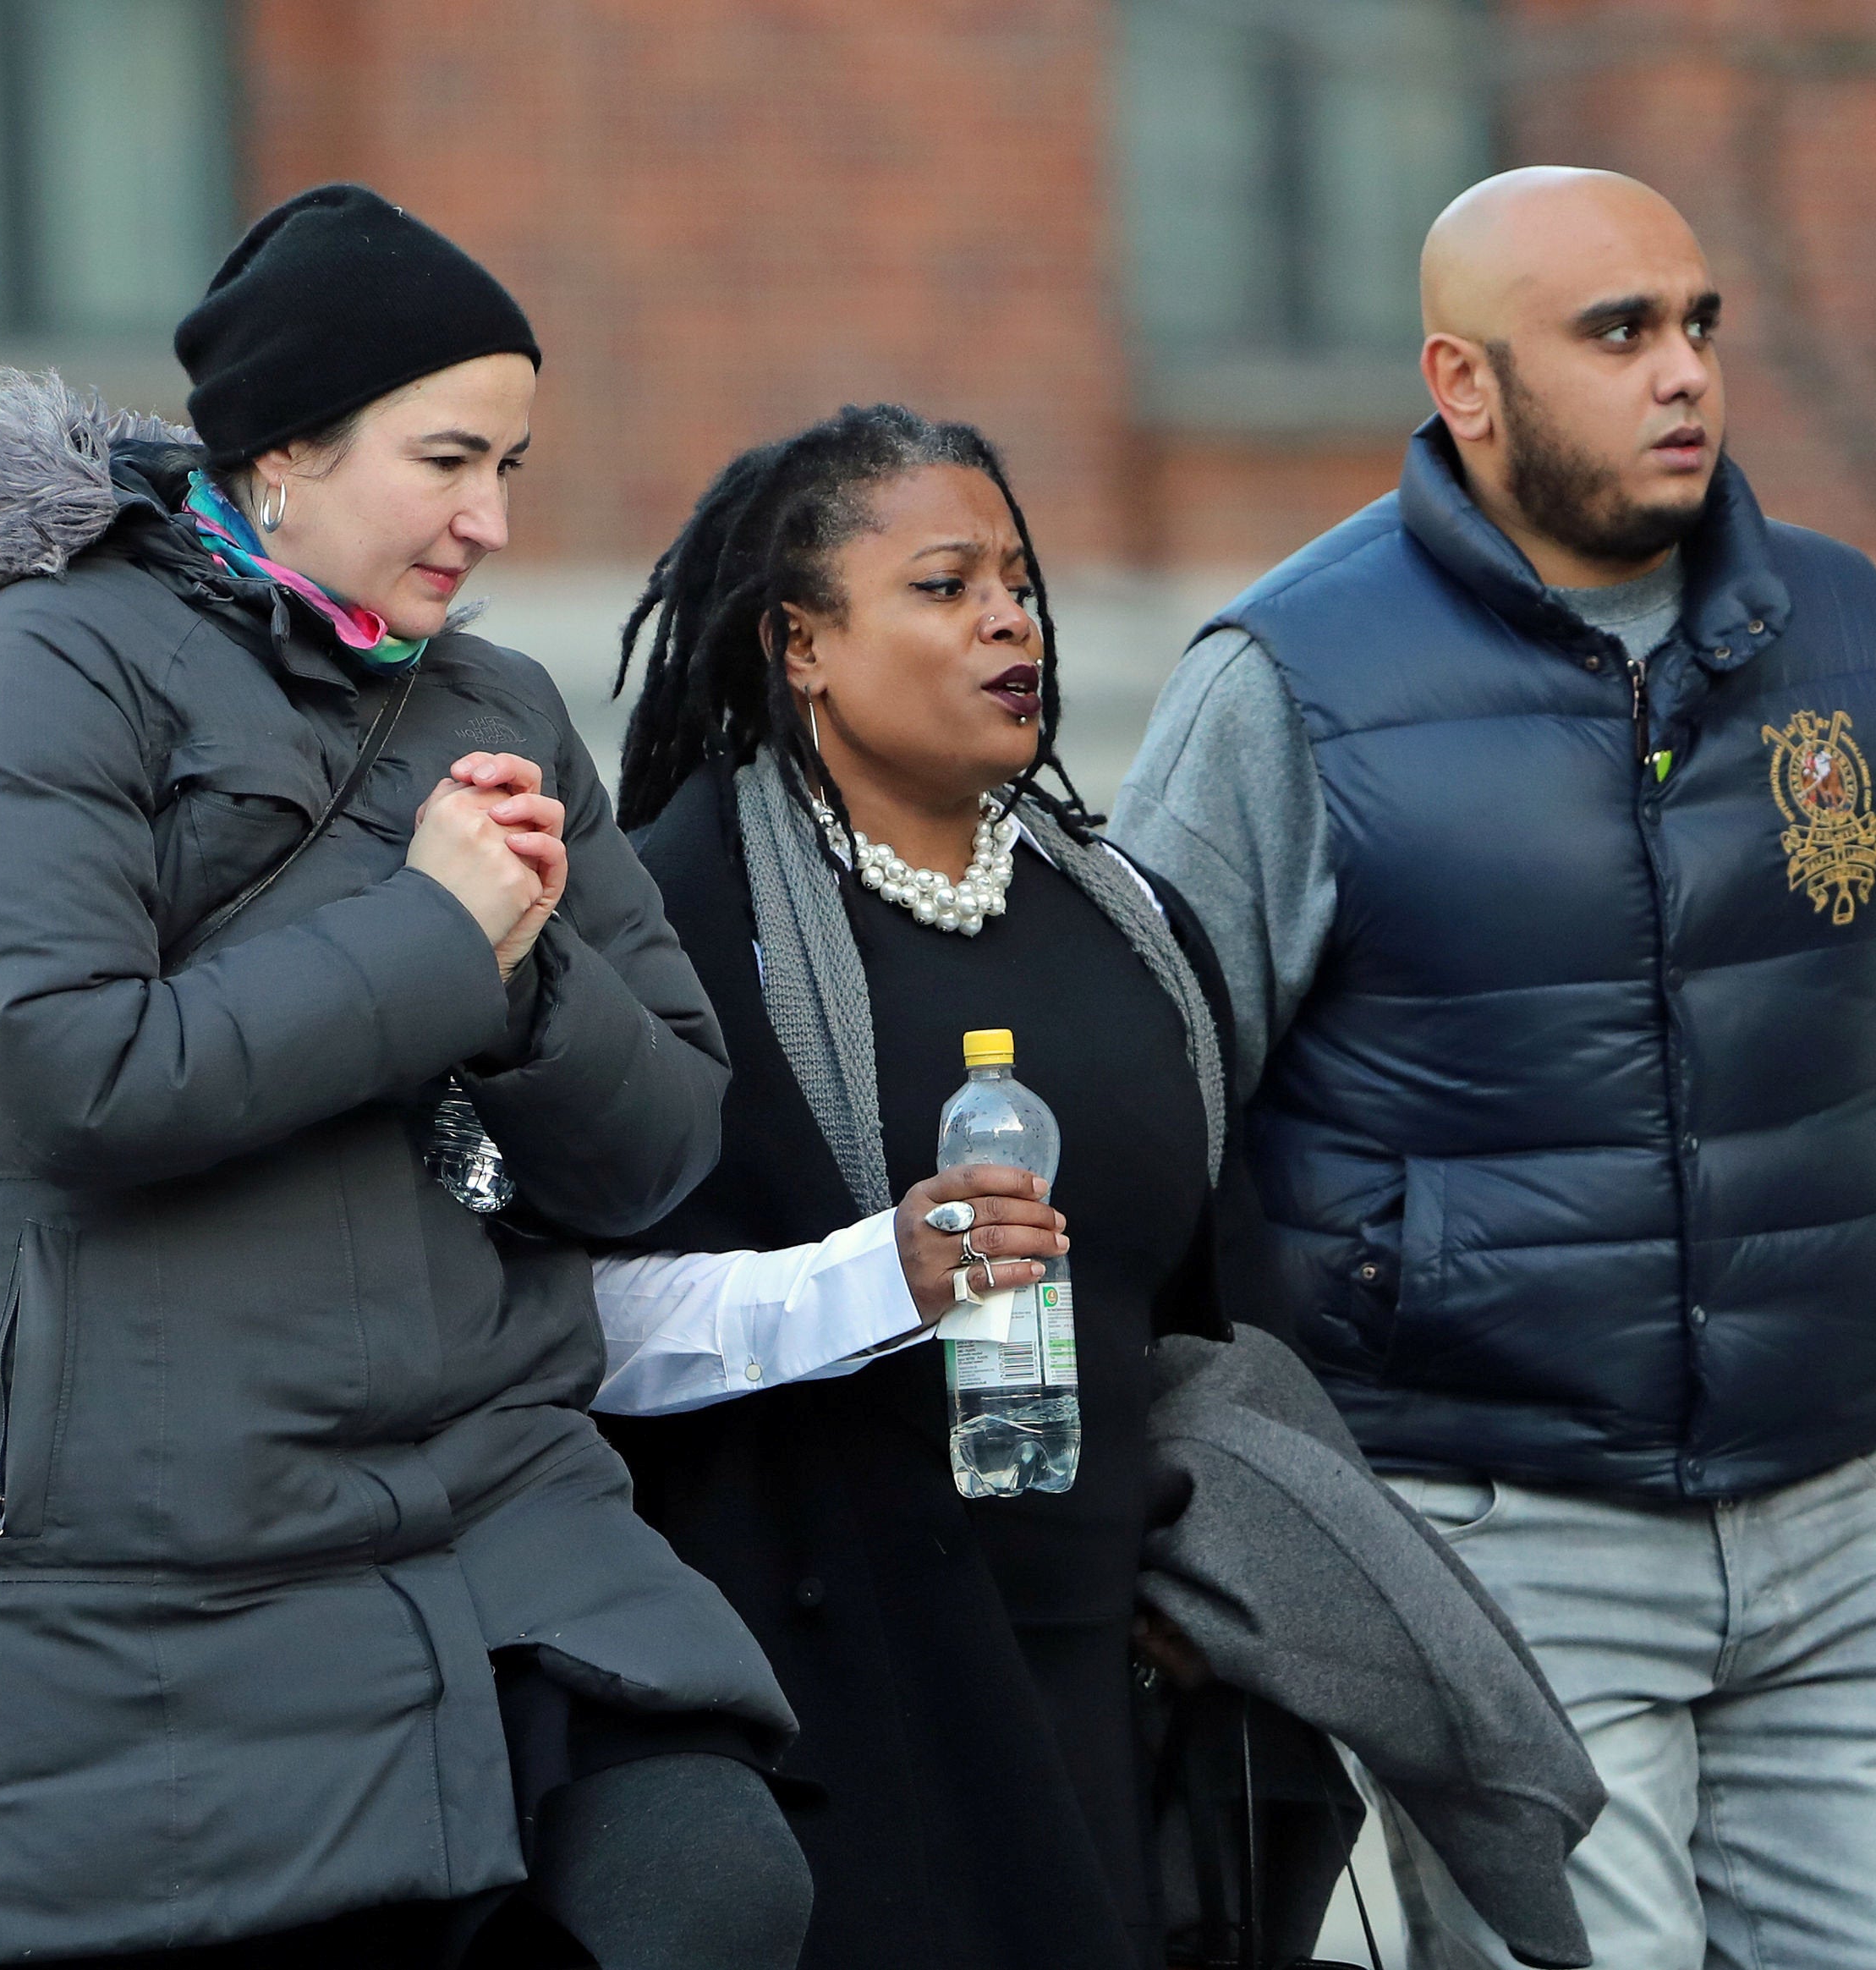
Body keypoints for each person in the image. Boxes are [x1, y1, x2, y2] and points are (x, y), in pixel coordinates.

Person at [1111, 167, 1876, 1970]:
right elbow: (1142, 1106)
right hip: (1500, 1547)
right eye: (1617, 333)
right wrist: (1197, 1508)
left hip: (1835, 1521)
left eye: (1696, 325)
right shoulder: (1288, 679)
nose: (1681, 374)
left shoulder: (1837, 634)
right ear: (1465, 382)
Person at [0, 184, 809, 1970]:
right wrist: (437, 939)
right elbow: (72, 1067)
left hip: (489, 1493)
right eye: (448, 457)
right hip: (149, 1537)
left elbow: (665, 1137)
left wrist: (524, 982)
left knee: (709, 1877)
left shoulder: (501, 706)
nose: (491, 520)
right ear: (282, 449)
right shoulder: (49, 663)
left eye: (512, 463)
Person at [585, 403, 1253, 1969]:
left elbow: (1221, 1295)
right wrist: (871, 1277)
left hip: (1105, 1658)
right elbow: (570, 1316)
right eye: (945, 586)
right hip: (822, 1676)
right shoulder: (668, 919)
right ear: (801, 642)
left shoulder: (1133, 924)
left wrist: (1219, 1565)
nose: (1009, 617)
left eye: (1017, 580)